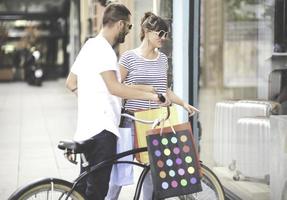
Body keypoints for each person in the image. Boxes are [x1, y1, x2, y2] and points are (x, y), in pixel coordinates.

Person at [65, 4, 168, 200]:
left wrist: (92, 99)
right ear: (120, 24)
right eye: (128, 27)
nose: (128, 32)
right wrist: (152, 97)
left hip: (86, 129)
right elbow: (115, 88)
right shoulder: (104, 49)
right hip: (102, 132)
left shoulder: (89, 45)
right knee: (97, 192)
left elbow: (71, 83)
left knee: (83, 190)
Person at [105, 12, 199, 200]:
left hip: (156, 122)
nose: (164, 38)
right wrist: (146, 90)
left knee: (153, 171)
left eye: (166, 34)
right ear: (147, 31)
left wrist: (183, 103)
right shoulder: (128, 58)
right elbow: (116, 88)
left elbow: (165, 90)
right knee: (120, 170)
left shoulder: (163, 59)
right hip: (132, 121)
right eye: (161, 33)